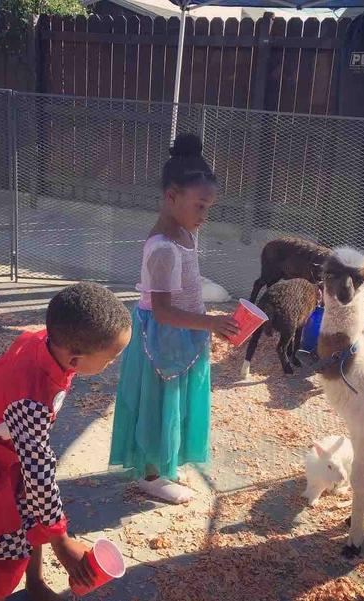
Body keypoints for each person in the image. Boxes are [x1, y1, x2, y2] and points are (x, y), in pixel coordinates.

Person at [0, 282, 132, 601]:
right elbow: (39, 471)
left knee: (28, 502)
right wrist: (60, 540)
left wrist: (51, 525)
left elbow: (34, 469)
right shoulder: (31, 399)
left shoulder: (47, 343)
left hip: (4, 431)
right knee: (0, 537)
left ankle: (35, 583)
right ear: (75, 359)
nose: (112, 363)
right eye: (109, 359)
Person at [108, 134, 239, 504]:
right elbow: (163, 310)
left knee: (175, 402)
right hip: (161, 337)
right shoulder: (163, 248)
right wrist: (211, 323)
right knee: (156, 404)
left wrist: (207, 320)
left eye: (208, 207)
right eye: (200, 206)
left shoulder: (184, 232)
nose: (204, 216)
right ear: (171, 197)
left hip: (182, 332)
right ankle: (150, 475)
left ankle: (166, 462)